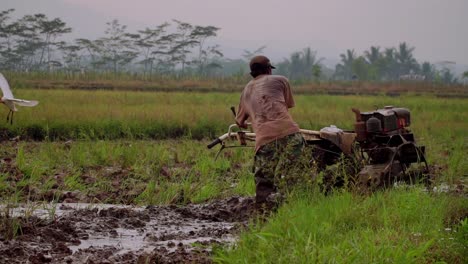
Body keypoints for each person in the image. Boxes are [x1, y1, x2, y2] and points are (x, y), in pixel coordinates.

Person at [235, 55, 305, 205]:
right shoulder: (281, 80)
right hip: (291, 134)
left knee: (264, 180)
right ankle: (291, 206)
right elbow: (286, 105)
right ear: (268, 69)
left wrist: (245, 123)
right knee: (291, 176)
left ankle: (263, 212)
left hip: (265, 141)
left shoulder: (246, 90)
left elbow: (239, 121)